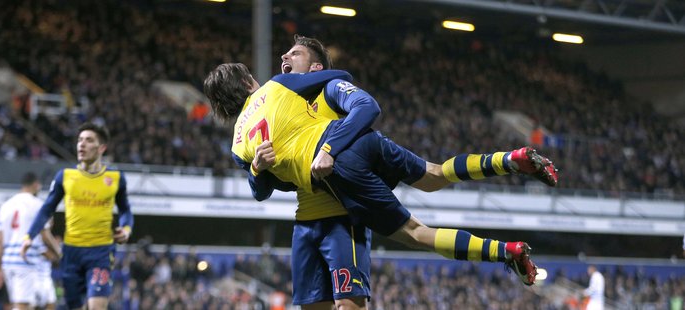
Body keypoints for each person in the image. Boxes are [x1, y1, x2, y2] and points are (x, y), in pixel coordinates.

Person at [205, 59, 556, 299]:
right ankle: (511, 159)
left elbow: (263, 191)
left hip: (337, 172)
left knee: (417, 233)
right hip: (362, 137)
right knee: (435, 175)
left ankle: (506, 252)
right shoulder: (279, 86)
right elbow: (343, 77)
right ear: (246, 81)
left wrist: (257, 169)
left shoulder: (239, 142)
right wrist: (312, 79)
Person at [20, 123, 134, 310]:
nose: (82, 144)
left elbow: (125, 211)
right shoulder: (65, 176)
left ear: (101, 148)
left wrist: (127, 229)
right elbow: (47, 209)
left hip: (101, 252)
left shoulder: (115, 178)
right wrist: (28, 237)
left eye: (89, 140)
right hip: (71, 253)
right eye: (80, 140)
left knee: (96, 306)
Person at [0, 172, 60, 310]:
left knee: (20, 303)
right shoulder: (37, 205)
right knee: (23, 305)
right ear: (36, 185)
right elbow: (45, 235)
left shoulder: (5, 206)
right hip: (24, 260)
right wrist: (60, 252)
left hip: (8, 262)